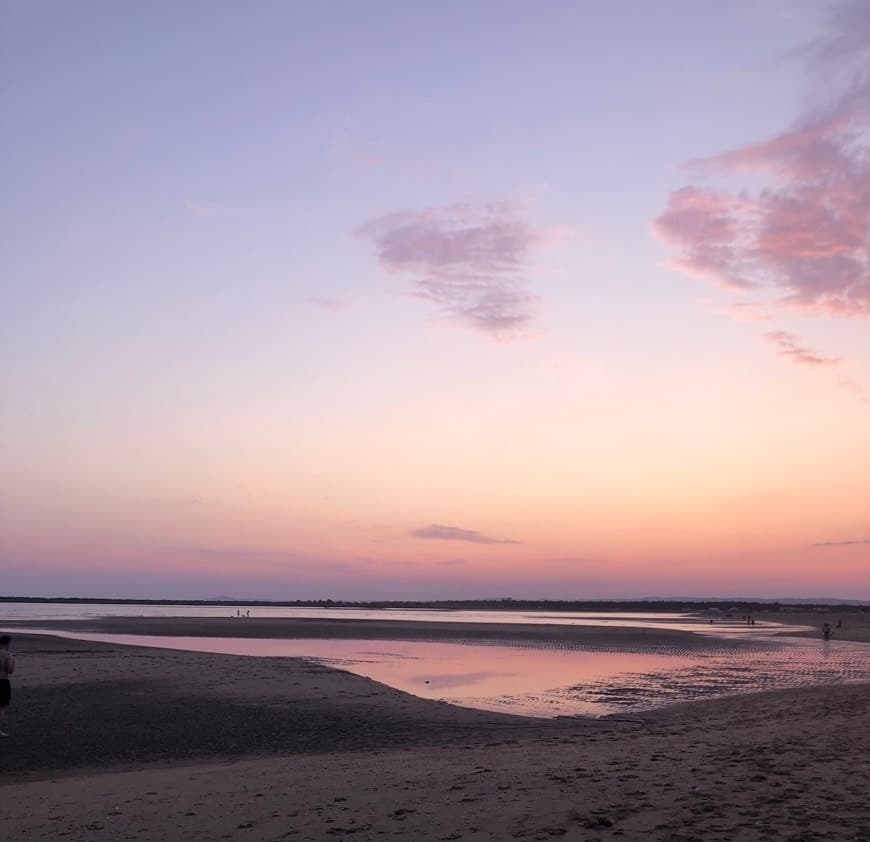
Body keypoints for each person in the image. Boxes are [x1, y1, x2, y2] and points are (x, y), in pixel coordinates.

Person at [0, 635, 14, 737]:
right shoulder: (6, 654)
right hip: (2, 681)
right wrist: (13, 662)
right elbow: (10, 670)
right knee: (1, 707)